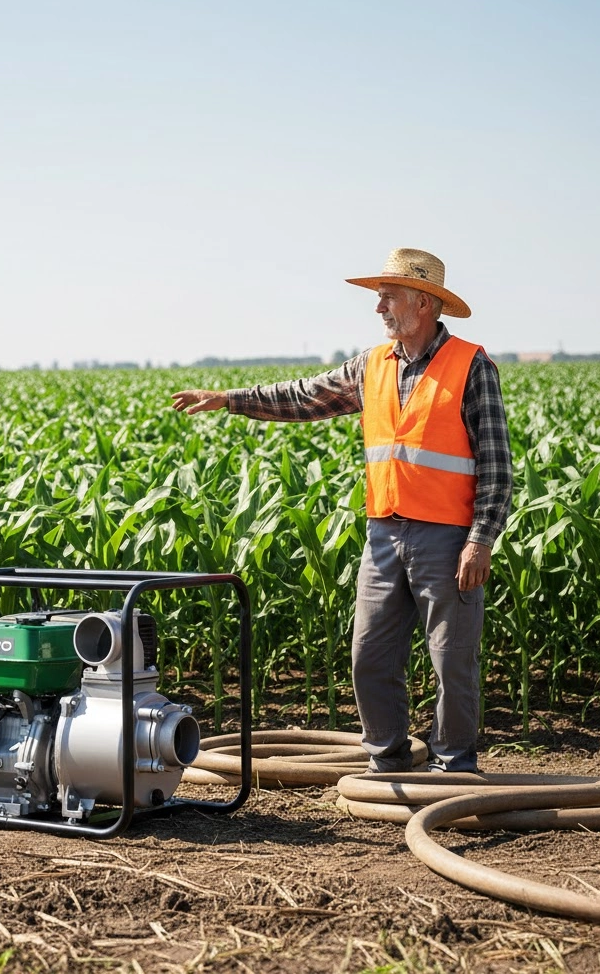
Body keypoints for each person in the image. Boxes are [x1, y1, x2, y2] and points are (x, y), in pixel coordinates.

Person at [172, 247, 512, 773]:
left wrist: (480, 540)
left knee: (452, 659)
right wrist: (230, 398)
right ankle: (388, 762)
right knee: (369, 654)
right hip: (384, 535)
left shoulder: (471, 367)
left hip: (447, 539)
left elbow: (497, 466)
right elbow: (303, 397)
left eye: (387, 296)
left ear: (423, 302)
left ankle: (454, 766)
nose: (378, 308)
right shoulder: (370, 366)